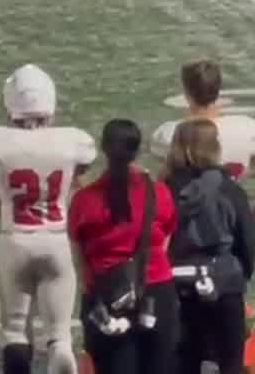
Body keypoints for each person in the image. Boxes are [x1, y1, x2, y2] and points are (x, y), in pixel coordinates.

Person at [0, 65, 96, 374]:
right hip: (56, 238)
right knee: (59, 334)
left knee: (15, 330)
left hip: (15, 238)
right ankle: (61, 357)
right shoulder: (71, 141)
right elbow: (82, 187)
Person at [68, 118, 178, 374]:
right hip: (156, 291)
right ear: (137, 149)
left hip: (107, 297)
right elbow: (164, 244)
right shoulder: (159, 193)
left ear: (104, 149)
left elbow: (79, 254)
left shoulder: (85, 200)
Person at [164, 120, 255, 374]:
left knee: (184, 362)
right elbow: (246, 240)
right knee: (230, 362)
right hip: (225, 280)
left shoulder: (165, 189)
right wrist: (240, 277)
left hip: (179, 285)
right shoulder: (230, 189)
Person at [153, 60, 255, 220]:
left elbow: (161, 187)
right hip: (228, 221)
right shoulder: (246, 129)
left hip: (187, 225)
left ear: (186, 92)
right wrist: (249, 216)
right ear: (218, 89)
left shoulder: (170, 133)